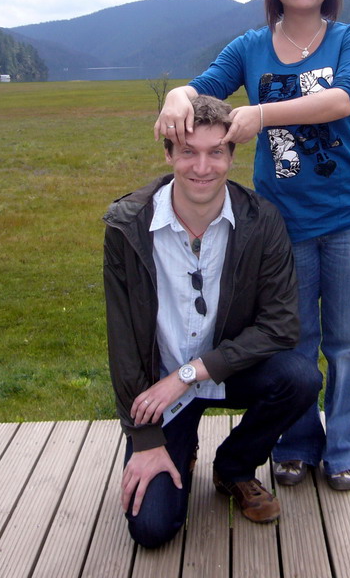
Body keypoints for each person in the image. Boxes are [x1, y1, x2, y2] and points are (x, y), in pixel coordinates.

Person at [155, 0, 350, 491]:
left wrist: (263, 113)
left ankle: (346, 445)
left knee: (347, 342)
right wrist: (173, 98)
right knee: (295, 339)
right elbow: (199, 88)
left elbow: (343, 98)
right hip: (281, 221)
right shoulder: (250, 47)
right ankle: (298, 443)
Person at [103, 94, 321, 549]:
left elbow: (282, 326)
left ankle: (235, 467)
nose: (202, 167)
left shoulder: (262, 221)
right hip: (162, 394)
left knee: (300, 378)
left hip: (223, 373)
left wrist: (190, 374)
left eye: (215, 152)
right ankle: (179, 449)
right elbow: (123, 343)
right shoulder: (127, 226)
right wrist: (144, 440)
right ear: (168, 154)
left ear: (231, 156)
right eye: (188, 151)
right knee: (151, 530)